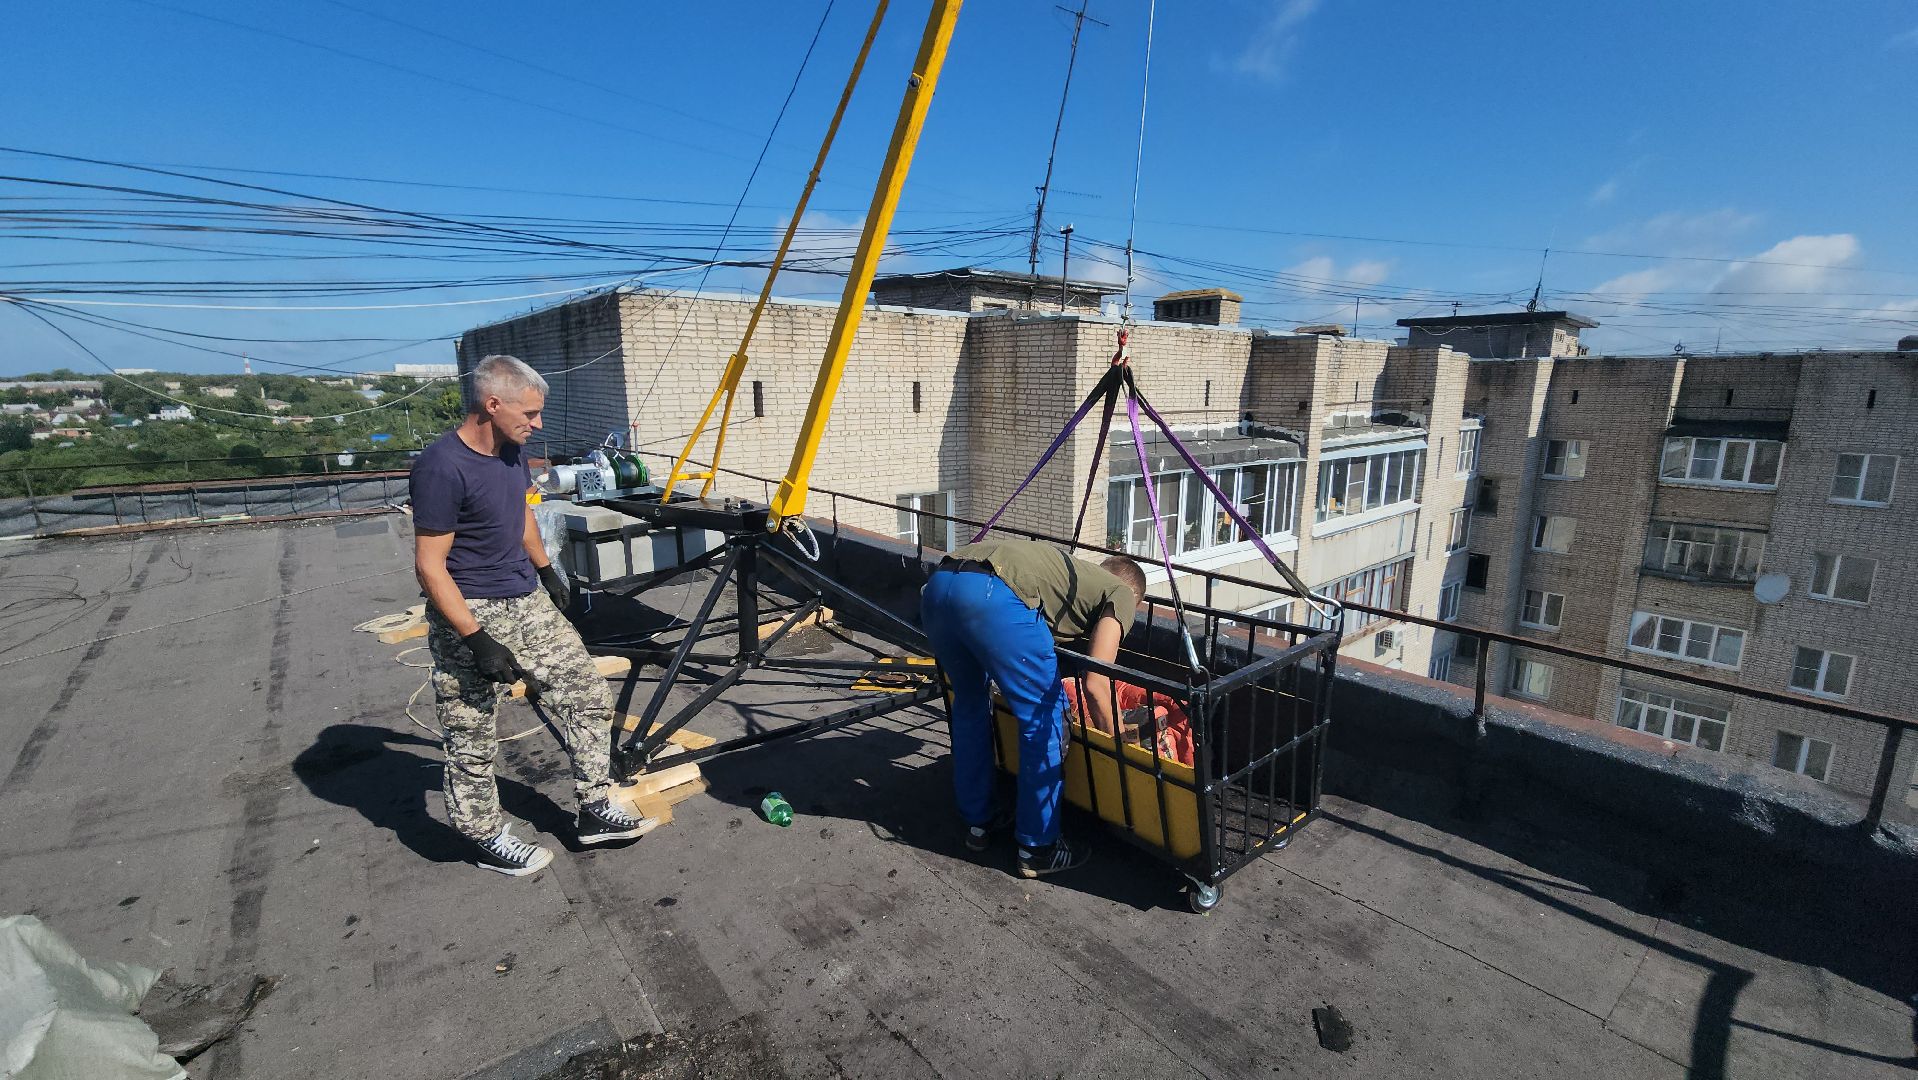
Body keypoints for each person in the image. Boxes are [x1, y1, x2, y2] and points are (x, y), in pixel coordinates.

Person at [409, 354, 657, 876]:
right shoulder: (441, 466)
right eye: (530, 412)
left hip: (526, 598)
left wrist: (546, 571)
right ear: (491, 404)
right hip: (470, 610)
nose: (537, 423)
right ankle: (485, 835)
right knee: (471, 733)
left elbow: (521, 512)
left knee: (586, 695)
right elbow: (431, 567)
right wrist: (476, 640)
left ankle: (594, 808)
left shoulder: (511, 452)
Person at [921, 536, 1145, 878]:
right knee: (1045, 719)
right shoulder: (1122, 594)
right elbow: (1097, 683)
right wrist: (1118, 745)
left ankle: (979, 822)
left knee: (969, 705)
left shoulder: (1075, 573)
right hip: (994, 595)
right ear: (1135, 594)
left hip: (940, 586)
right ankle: (1038, 848)